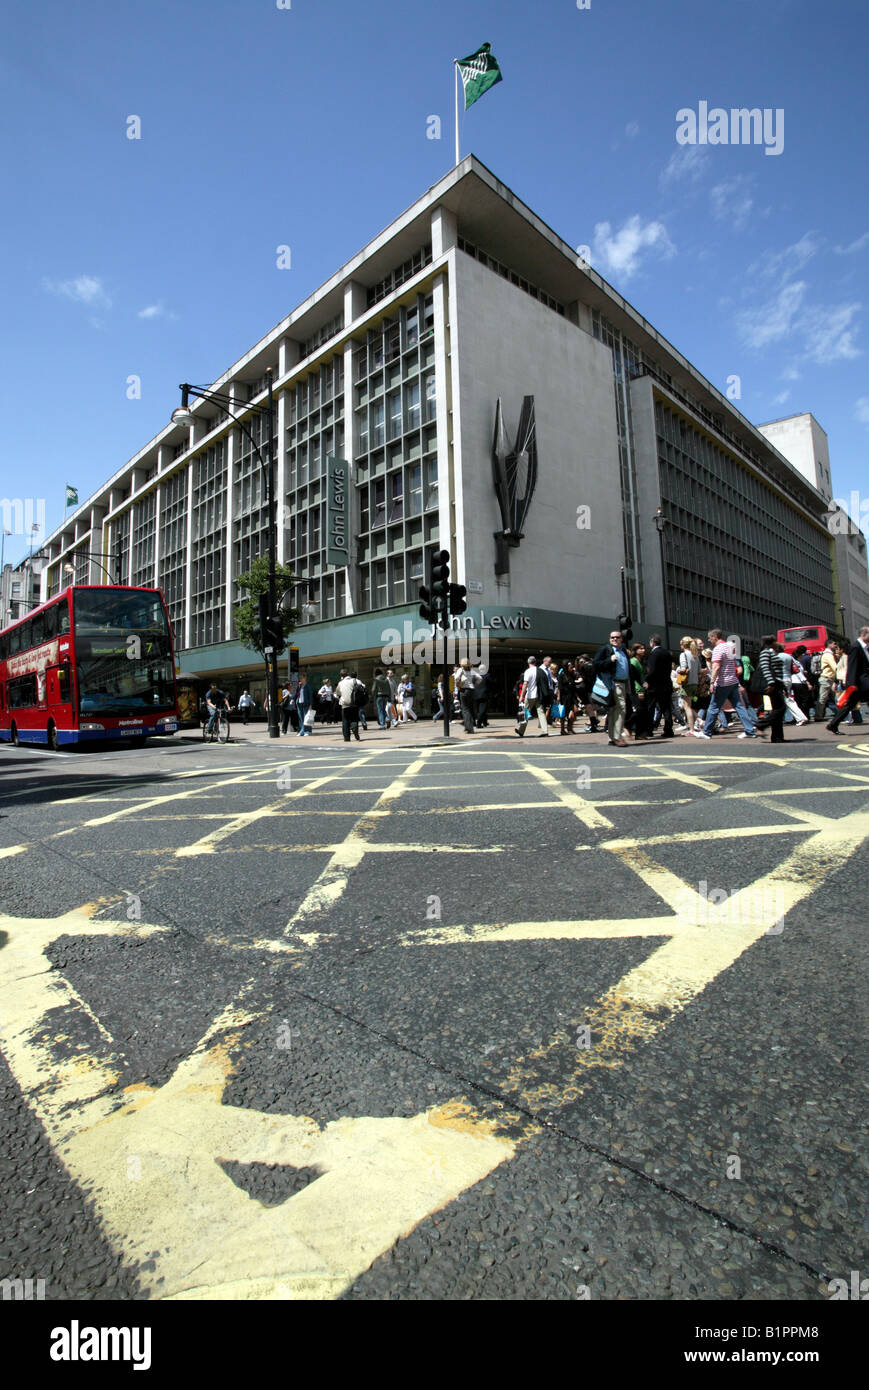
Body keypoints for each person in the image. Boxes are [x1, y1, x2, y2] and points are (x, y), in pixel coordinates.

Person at [694, 629, 757, 739]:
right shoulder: (730, 647)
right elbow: (733, 664)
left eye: (710, 638)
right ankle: (750, 730)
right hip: (733, 681)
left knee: (713, 707)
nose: (709, 640)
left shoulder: (718, 649)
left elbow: (716, 667)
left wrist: (712, 682)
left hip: (722, 682)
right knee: (739, 706)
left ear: (714, 636)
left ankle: (706, 732)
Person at [827, 626, 869, 733]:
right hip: (860, 682)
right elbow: (852, 666)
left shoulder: (865, 647)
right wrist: (851, 683)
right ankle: (833, 724)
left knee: (849, 705)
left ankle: (833, 724)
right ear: (864, 634)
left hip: (862, 682)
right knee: (849, 704)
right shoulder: (856, 647)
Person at [592, 630, 630, 747]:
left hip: (623, 683)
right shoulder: (606, 649)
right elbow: (596, 664)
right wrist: (609, 660)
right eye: (612, 637)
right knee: (621, 708)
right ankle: (617, 737)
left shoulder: (623, 650)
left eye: (617, 637)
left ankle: (612, 737)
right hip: (614, 683)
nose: (614, 639)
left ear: (621, 639)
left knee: (614, 710)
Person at [644, 634, 676, 737]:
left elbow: (651, 670)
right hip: (666, 684)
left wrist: (647, 680)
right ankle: (668, 729)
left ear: (652, 643)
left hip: (654, 685)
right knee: (666, 708)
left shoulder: (654, 654)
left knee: (650, 708)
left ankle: (649, 730)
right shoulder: (667, 653)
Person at [756, 635, 786, 743]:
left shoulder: (772, 652)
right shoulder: (766, 652)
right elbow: (765, 667)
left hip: (777, 683)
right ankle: (761, 725)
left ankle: (777, 737)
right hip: (772, 684)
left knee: (778, 709)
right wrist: (771, 683)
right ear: (772, 642)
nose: (777, 643)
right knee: (780, 708)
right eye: (776, 641)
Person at [518, 656, 549, 736]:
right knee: (541, 712)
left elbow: (525, 684)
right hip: (539, 694)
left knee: (525, 712)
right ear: (535, 662)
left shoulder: (528, 671)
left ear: (528, 662)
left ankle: (521, 731)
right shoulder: (540, 671)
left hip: (530, 695)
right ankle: (545, 731)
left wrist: (522, 695)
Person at [815, 640, 839, 722]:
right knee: (822, 698)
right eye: (834, 643)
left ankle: (820, 715)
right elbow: (835, 667)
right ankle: (818, 716)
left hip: (828, 679)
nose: (836, 645)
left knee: (826, 698)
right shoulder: (828, 655)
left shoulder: (829, 654)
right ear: (829, 644)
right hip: (827, 679)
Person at [336, 668, 363, 742]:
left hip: (345, 705)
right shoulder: (354, 681)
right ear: (348, 674)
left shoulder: (340, 683)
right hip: (354, 703)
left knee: (345, 721)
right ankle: (355, 729)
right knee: (354, 718)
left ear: (341, 676)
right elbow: (362, 686)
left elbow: (338, 693)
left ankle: (347, 738)